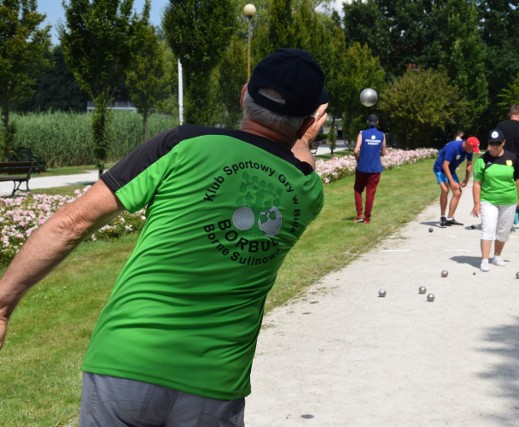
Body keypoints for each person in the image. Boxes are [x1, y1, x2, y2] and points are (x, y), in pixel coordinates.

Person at [0, 48, 329, 426]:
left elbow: (71, 223)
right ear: (307, 121)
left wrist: (3, 305)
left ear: (243, 95)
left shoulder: (183, 144)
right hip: (214, 383)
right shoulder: (306, 191)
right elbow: (302, 161)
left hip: (126, 362)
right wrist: (303, 136)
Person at [471, 128, 519, 272]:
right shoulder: (482, 160)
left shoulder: (512, 158)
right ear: (488, 143)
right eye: (492, 143)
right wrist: (476, 204)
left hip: (509, 200)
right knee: (488, 228)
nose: (495, 146)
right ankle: (485, 259)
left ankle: (497, 256)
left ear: (503, 143)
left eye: (498, 143)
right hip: (489, 200)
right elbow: (477, 183)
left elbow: (517, 179)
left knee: (503, 231)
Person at [433, 136, 480, 227]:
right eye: (472, 149)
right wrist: (451, 181)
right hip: (440, 169)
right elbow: (445, 165)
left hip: (451, 170)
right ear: (467, 144)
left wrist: (466, 179)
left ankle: (450, 218)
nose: (473, 151)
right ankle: (443, 217)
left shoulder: (468, 150)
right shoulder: (453, 147)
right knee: (445, 190)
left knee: (457, 193)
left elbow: (469, 165)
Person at [353, 114, 387, 224]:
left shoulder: (362, 134)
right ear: (377, 122)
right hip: (375, 169)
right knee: (370, 193)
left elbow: (355, 150)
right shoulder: (382, 135)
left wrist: (359, 160)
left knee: (358, 190)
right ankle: (367, 219)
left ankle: (359, 215)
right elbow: (383, 153)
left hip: (362, 168)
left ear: (368, 122)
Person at [496, 104, 519, 180]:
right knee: (517, 190)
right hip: (518, 163)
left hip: (501, 163)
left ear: (509, 114)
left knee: (501, 190)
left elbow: (493, 145)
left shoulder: (501, 126)